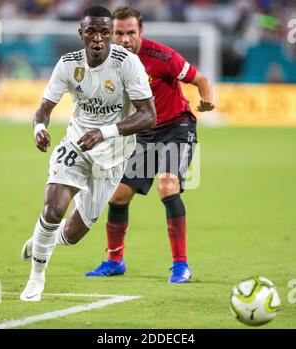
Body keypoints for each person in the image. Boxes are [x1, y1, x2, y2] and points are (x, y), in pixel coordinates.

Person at [19, 5, 156, 302]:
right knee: (53, 209)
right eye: (91, 31)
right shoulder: (68, 64)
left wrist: (104, 133)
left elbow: (148, 116)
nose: (98, 38)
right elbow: (43, 110)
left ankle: (41, 242)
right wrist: (38, 129)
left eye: (105, 32)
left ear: (110, 35)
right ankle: (36, 279)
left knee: (71, 235)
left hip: (113, 156)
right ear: (81, 33)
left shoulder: (128, 64)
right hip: (76, 145)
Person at [84, 6, 214, 283]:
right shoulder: (106, 61)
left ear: (141, 32)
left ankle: (181, 266)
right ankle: (114, 260)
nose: (125, 39)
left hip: (176, 128)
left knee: (167, 187)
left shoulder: (163, 57)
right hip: (142, 133)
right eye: (118, 33)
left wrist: (207, 99)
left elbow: (201, 79)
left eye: (131, 33)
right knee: (118, 196)